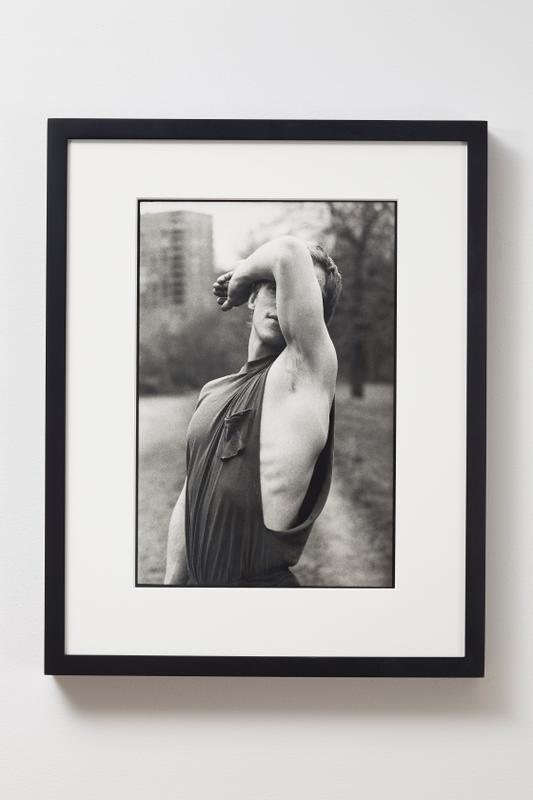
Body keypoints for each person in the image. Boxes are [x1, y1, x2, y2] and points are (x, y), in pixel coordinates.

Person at [164, 235, 342, 587]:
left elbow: (289, 252)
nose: (283, 299)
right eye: (273, 287)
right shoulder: (212, 392)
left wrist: (242, 273)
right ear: (253, 299)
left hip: (261, 600)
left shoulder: (304, 377)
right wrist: (172, 585)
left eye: (297, 289)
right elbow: (192, 492)